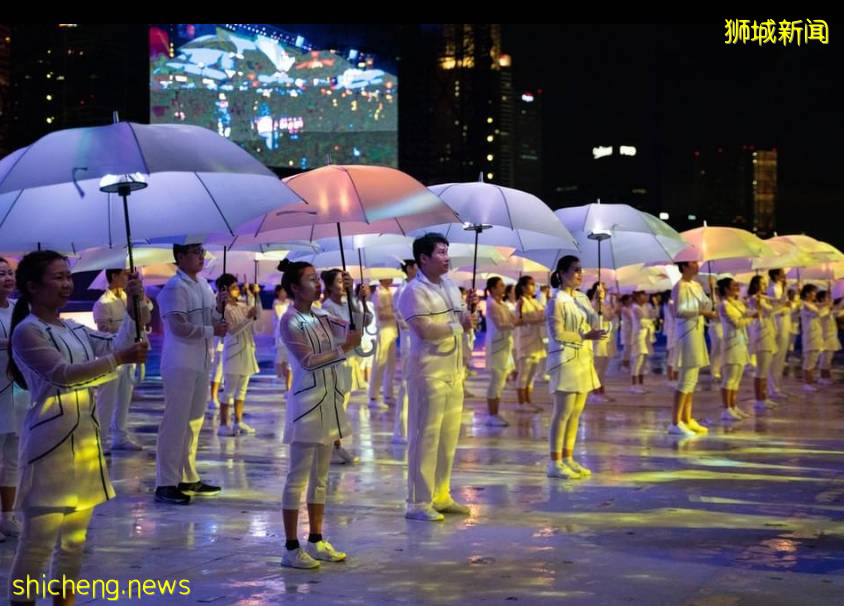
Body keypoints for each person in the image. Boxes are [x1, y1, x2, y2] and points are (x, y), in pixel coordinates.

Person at [6, 251, 149, 605]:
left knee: (74, 544)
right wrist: (118, 360)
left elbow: (118, 344)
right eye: (57, 277)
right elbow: (63, 376)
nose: (67, 283)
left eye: (68, 276)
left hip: (85, 441)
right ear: (32, 287)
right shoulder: (27, 332)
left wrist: (134, 305)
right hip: (50, 444)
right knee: (38, 543)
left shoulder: (72, 327)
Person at [277, 259, 362, 569]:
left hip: (330, 403)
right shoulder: (290, 321)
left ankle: (316, 539)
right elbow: (309, 360)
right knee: (297, 478)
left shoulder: (322, 315)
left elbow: (356, 329)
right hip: (306, 407)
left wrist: (354, 298)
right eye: (311, 279)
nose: (317, 283)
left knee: (321, 479)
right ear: (295, 288)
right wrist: (344, 349)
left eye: (317, 278)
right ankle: (290, 547)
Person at [397, 233, 476, 521]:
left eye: (447, 251)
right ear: (423, 259)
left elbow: (461, 321)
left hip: (454, 371)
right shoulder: (412, 292)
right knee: (424, 437)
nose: (446, 257)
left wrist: (468, 314)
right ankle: (418, 502)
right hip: (429, 373)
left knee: (447, 438)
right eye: (440, 252)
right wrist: (459, 325)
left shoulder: (450, 286)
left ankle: (440, 495)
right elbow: (425, 330)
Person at [155, 243, 227, 505]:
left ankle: (188, 476)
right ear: (181, 256)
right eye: (196, 252)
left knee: (194, 422)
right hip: (180, 362)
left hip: (201, 361)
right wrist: (212, 330)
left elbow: (212, 320)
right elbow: (178, 327)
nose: (201, 256)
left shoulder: (204, 285)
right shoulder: (175, 288)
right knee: (175, 422)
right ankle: (165, 482)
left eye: (201, 251)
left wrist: (219, 308)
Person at [545, 256, 607, 480]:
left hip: (583, 359)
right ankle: (554, 461)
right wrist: (583, 335)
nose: (580, 274)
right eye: (575, 270)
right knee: (562, 413)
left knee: (576, 413)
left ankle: (568, 457)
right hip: (564, 360)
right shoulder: (555, 299)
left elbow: (597, 324)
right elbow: (557, 333)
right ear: (561, 273)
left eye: (581, 270)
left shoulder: (581, 298)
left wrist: (600, 302)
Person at [92, 268, 149, 452]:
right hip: (112, 356)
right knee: (107, 399)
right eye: (124, 274)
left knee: (125, 396)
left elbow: (145, 318)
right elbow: (105, 329)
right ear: (114, 276)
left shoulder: (129, 298)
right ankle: (100, 439)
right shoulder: (103, 303)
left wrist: (139, 300)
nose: (127, 278)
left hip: (130, 354)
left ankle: (120, 435)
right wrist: (127, 326)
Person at [319, 269, 371, 465]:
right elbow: (337, 334)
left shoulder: (349, 303)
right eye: (340, 281)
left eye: (345, 281)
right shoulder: (328, 307)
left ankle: (335, 446)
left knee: (341, 405)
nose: (343, 284)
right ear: (330, 286)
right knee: (335, 406)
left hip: (350, 359)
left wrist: (361, 300)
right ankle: (332, 447)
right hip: (337, 360)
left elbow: (365, 321)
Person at [669, 261, 717, 436]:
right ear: (685, 266)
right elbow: (679, 310)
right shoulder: (679, 286)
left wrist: (712, 291)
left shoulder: (696, 285)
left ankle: (687, 419)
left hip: (697, 332)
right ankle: (675, 422)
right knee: (685, 378)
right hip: (686, 334)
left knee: (692, 379)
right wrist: (702, 312)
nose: (697, 265)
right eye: (693, 263)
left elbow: (708, 306)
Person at [0, 257, 28, 542]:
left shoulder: (19, 310)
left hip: (16, 391)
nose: (7, 278)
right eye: (0, 274)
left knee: (12, 457)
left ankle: (7, 516)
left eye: (9, 273)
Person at [216, 274, 261, 436]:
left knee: (242, 390)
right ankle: (223, 424)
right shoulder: (224, 309)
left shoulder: (242, 304)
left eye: (236, 286)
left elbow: (257, 315)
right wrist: (248, 318)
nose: (237, 289)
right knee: (228, 390)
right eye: (233, 287)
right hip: (234, 353)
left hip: (247, 351)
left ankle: (238, 422)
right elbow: (233, 330)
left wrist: (255, 295)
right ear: (224, 290)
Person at [483, 276, 522, 426]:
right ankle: (492, 414)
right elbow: (501, 324)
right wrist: (514, 323)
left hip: (505, 345)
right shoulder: (491, 304)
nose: (503, 288)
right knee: (496, 381)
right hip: (496, 347)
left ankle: (495, 413)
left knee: (500, 381)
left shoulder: (502, 304)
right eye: (500, 286)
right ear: (492, 289)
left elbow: (514, 318)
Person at [717, 277, 754, 421]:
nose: (737, 287)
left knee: (737, 378)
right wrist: (752, 318)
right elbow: (737, 323)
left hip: (741, 343)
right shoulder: (724, 305)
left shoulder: (736, 303)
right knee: (729, 378)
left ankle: (733, 406)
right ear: (726, 289)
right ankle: (726, 409)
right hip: (731, 344)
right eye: (734, 285)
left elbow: (746, 311)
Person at [392, 260, 417, 445]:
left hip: (419, 342)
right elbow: (400, 317)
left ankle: (412, 427)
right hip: (409, 341)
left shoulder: (418, 287)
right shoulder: (403, 289)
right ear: (409, 268)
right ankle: (401, 430)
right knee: (407, 387)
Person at [514, 275, 546, 411]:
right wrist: (541, 315)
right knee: (524, 373)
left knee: (532, 374)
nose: (534, 287)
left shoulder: (533, 301)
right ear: (523, 287)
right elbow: (528, 318)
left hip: (536, 341)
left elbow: (542, 314)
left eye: (534, 284)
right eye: (531, 284)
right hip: (526, 341)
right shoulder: (521, 302)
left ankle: (528, 400)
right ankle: (521, 403)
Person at [368, 278, 399, 409]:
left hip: (392, 330)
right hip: (383, 330)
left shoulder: (390, 292)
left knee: (391, 364)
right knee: (380, 362)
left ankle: (388, 394)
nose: (391, 278)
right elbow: (381, 315)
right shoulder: (378, 293)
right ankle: (373, 396)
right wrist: (396, 314)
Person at [272, 285, 291, 391]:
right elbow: (280, 317)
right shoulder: (276, 303)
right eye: (282, 291)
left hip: (290, 333)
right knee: (281, 357)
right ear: (278, 293)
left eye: (285, 291)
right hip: (280, 334)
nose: (284, 293)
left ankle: (288, 384)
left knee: (289, 358)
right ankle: (283, 378)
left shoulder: (290, 302)